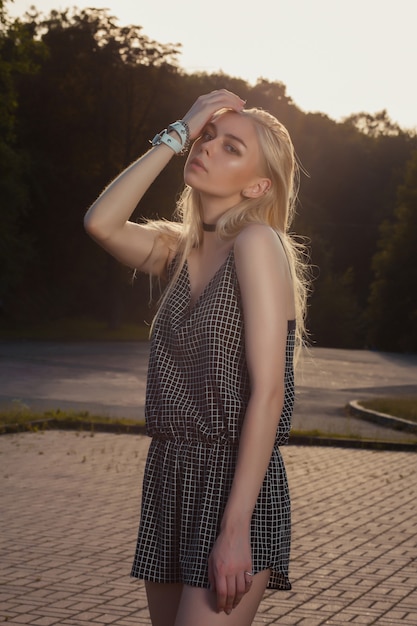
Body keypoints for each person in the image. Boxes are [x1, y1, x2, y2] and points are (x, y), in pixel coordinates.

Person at [84, 89, 308, 626]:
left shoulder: (256, 243)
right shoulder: (178, 250)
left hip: (234, 485)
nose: (207, 148)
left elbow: (269, 393)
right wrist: (179, 130)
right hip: (170, 478)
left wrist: (235, 528)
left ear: (257, 186)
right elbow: (101, 223)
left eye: (231, 147)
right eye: (208, 137)